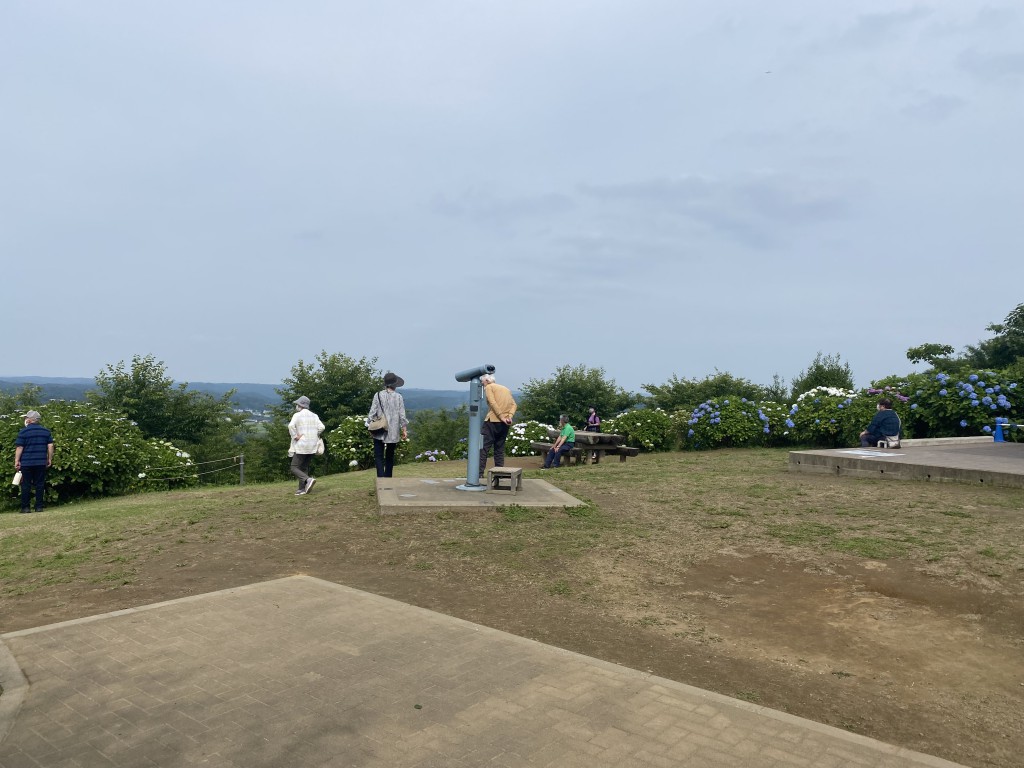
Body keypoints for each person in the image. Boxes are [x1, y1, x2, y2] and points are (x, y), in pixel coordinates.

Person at [368, 372, 408, 478]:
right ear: (395, 384)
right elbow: (402, 415)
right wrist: (404, 429)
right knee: (390, 456)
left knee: (379, 456)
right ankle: (388, 478)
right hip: (393, 430)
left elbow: (372, 412)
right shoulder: (398, 397)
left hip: (379, 428)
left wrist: (369, 425)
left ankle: (381, 478)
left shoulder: (377, 395)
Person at [14, 410, 54, 513]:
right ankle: (39, 507)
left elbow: (19, 447)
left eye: (26, 418)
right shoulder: (46, 431)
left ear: (30, 420)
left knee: (26, 485)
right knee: (40, 484)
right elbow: (50, 446)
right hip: (41, 462)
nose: (25, 419)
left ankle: (25, 508)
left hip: (26, 462)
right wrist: (49, 458)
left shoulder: (23, 432)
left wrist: (17, 460)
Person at [480, 374, 517, 474]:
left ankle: (479, 473)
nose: (482, 384)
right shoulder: (506, 389)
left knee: (483, 448)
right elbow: (514, 404)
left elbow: (492, 402)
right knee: (499, 449)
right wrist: (509, 416)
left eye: (482, 382)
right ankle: (499, 473)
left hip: (491, 421)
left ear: (487, 380)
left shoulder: (489, 387)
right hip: (505, 423)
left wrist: (501, 416)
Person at [288, 396, 325, 495]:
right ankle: (302, 489)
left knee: (294, 467)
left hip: (302, 444)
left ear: (300, 405)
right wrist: (314, 434)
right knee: (304, 467)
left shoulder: (297, 415)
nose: (296, 406)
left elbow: (290, 426)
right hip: (312, 445)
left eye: (297, 404)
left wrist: (295, 436)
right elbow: (322, 427)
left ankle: (308, 480)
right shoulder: (314, 415)